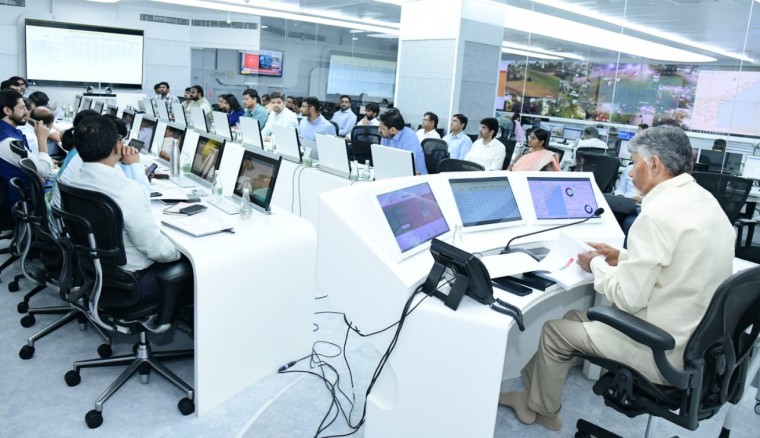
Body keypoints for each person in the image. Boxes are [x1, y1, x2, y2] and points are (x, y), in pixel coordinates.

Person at [498, 125, 736, 431]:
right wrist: (620, 257)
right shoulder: (705, 202)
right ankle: (533, 399)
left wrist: (596, 264)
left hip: (661, 350)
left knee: (555, 332)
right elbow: (677, 264)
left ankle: (544, 411)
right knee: (574, 317)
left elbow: (628, 298)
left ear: (654, 165)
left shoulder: (656, 215)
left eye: (634, 163)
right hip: (696, 345)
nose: (631, 172)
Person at [68, 115, 181, 303]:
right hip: (132, 282)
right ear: (117, 146)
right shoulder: (125, 190)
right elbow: (157, 250)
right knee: (191, 265)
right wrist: (180, 254)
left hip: (92, 271)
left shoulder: (74, 182)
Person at [52, 110, 148, 208]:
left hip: (64, 214)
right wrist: (136, 164)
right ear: (117, 143)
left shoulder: (86, 155)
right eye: (122, 141)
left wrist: (126, 164)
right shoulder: (104, 170)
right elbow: (144, 203)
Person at [378, 110, 428, 175]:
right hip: (393, 173)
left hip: (416, 178)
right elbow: (381, 157)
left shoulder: (409, 137)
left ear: (392, 130)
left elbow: (407, 165)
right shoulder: (386, 136)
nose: (379, 130)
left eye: (382, 128)